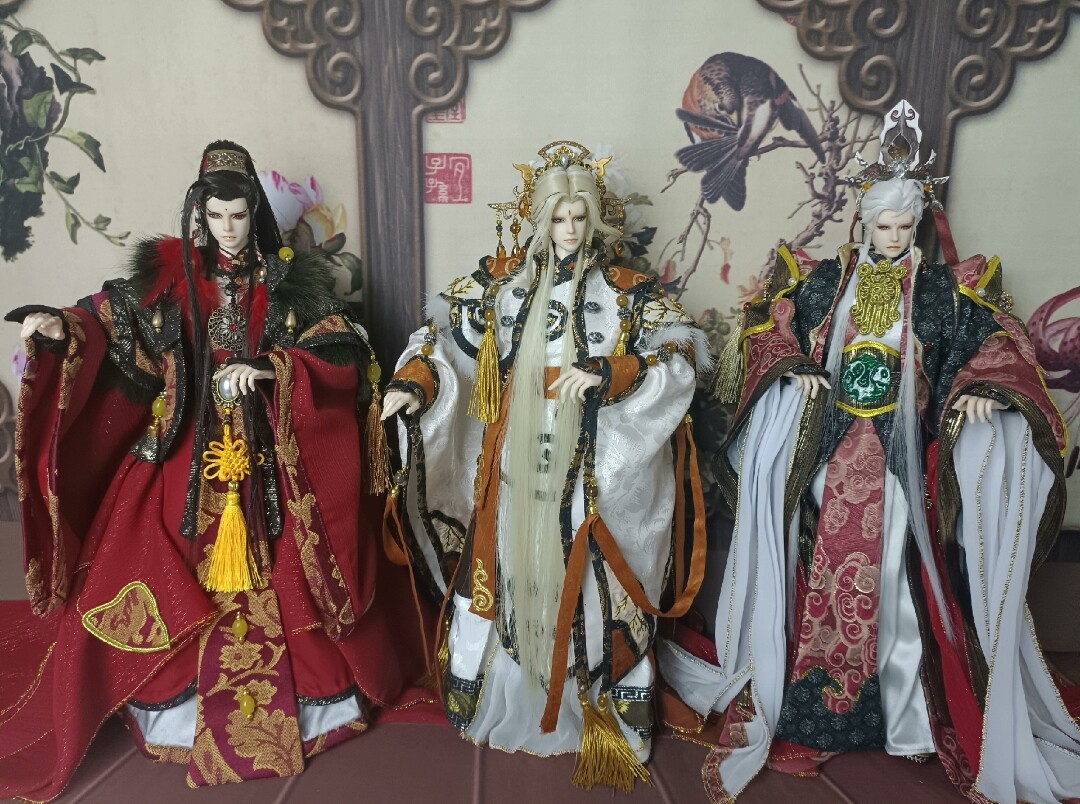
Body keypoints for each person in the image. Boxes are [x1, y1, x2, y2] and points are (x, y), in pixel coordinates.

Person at [658, 101, 1077, 803]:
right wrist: (794, 369)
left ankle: (906, 716)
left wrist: (984, 389)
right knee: (825, 565)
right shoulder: (825, 282)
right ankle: (820, 706)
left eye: (906, 227)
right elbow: (771, 330)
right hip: (833, 446)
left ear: (919, 226)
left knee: (896, 577)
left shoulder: (943, 290)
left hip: (902, 453)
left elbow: (994, 343)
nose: (894, 237)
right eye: (883, 225)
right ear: (863, 222)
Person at [0, 141, 429, 799]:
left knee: (289, 565)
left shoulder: (288, 284)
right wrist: (63, 328)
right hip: (186, 454)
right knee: (157, 558)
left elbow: (340, 345)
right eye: (217, 216)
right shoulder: (167, 284)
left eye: (239, 214)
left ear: (255, 213)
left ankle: (306, 702)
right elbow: (110, 322)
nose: (229, 228)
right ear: (200, 216)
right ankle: (180, 707)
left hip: (266, 458)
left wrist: (275, 369)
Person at [381, 141, 710, 791]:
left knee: (599, 578)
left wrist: (613, 372)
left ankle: (609, 696)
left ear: (595, 219)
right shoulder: (501, 287)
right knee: (504, 565)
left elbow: (678, 357)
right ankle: (501, 683)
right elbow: (441, 341)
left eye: (580, 217)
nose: (570, 229)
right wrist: (415, 385)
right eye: (559, 218)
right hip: (516, 462)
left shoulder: (628, 294)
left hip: (594, 465)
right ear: (540, 220)